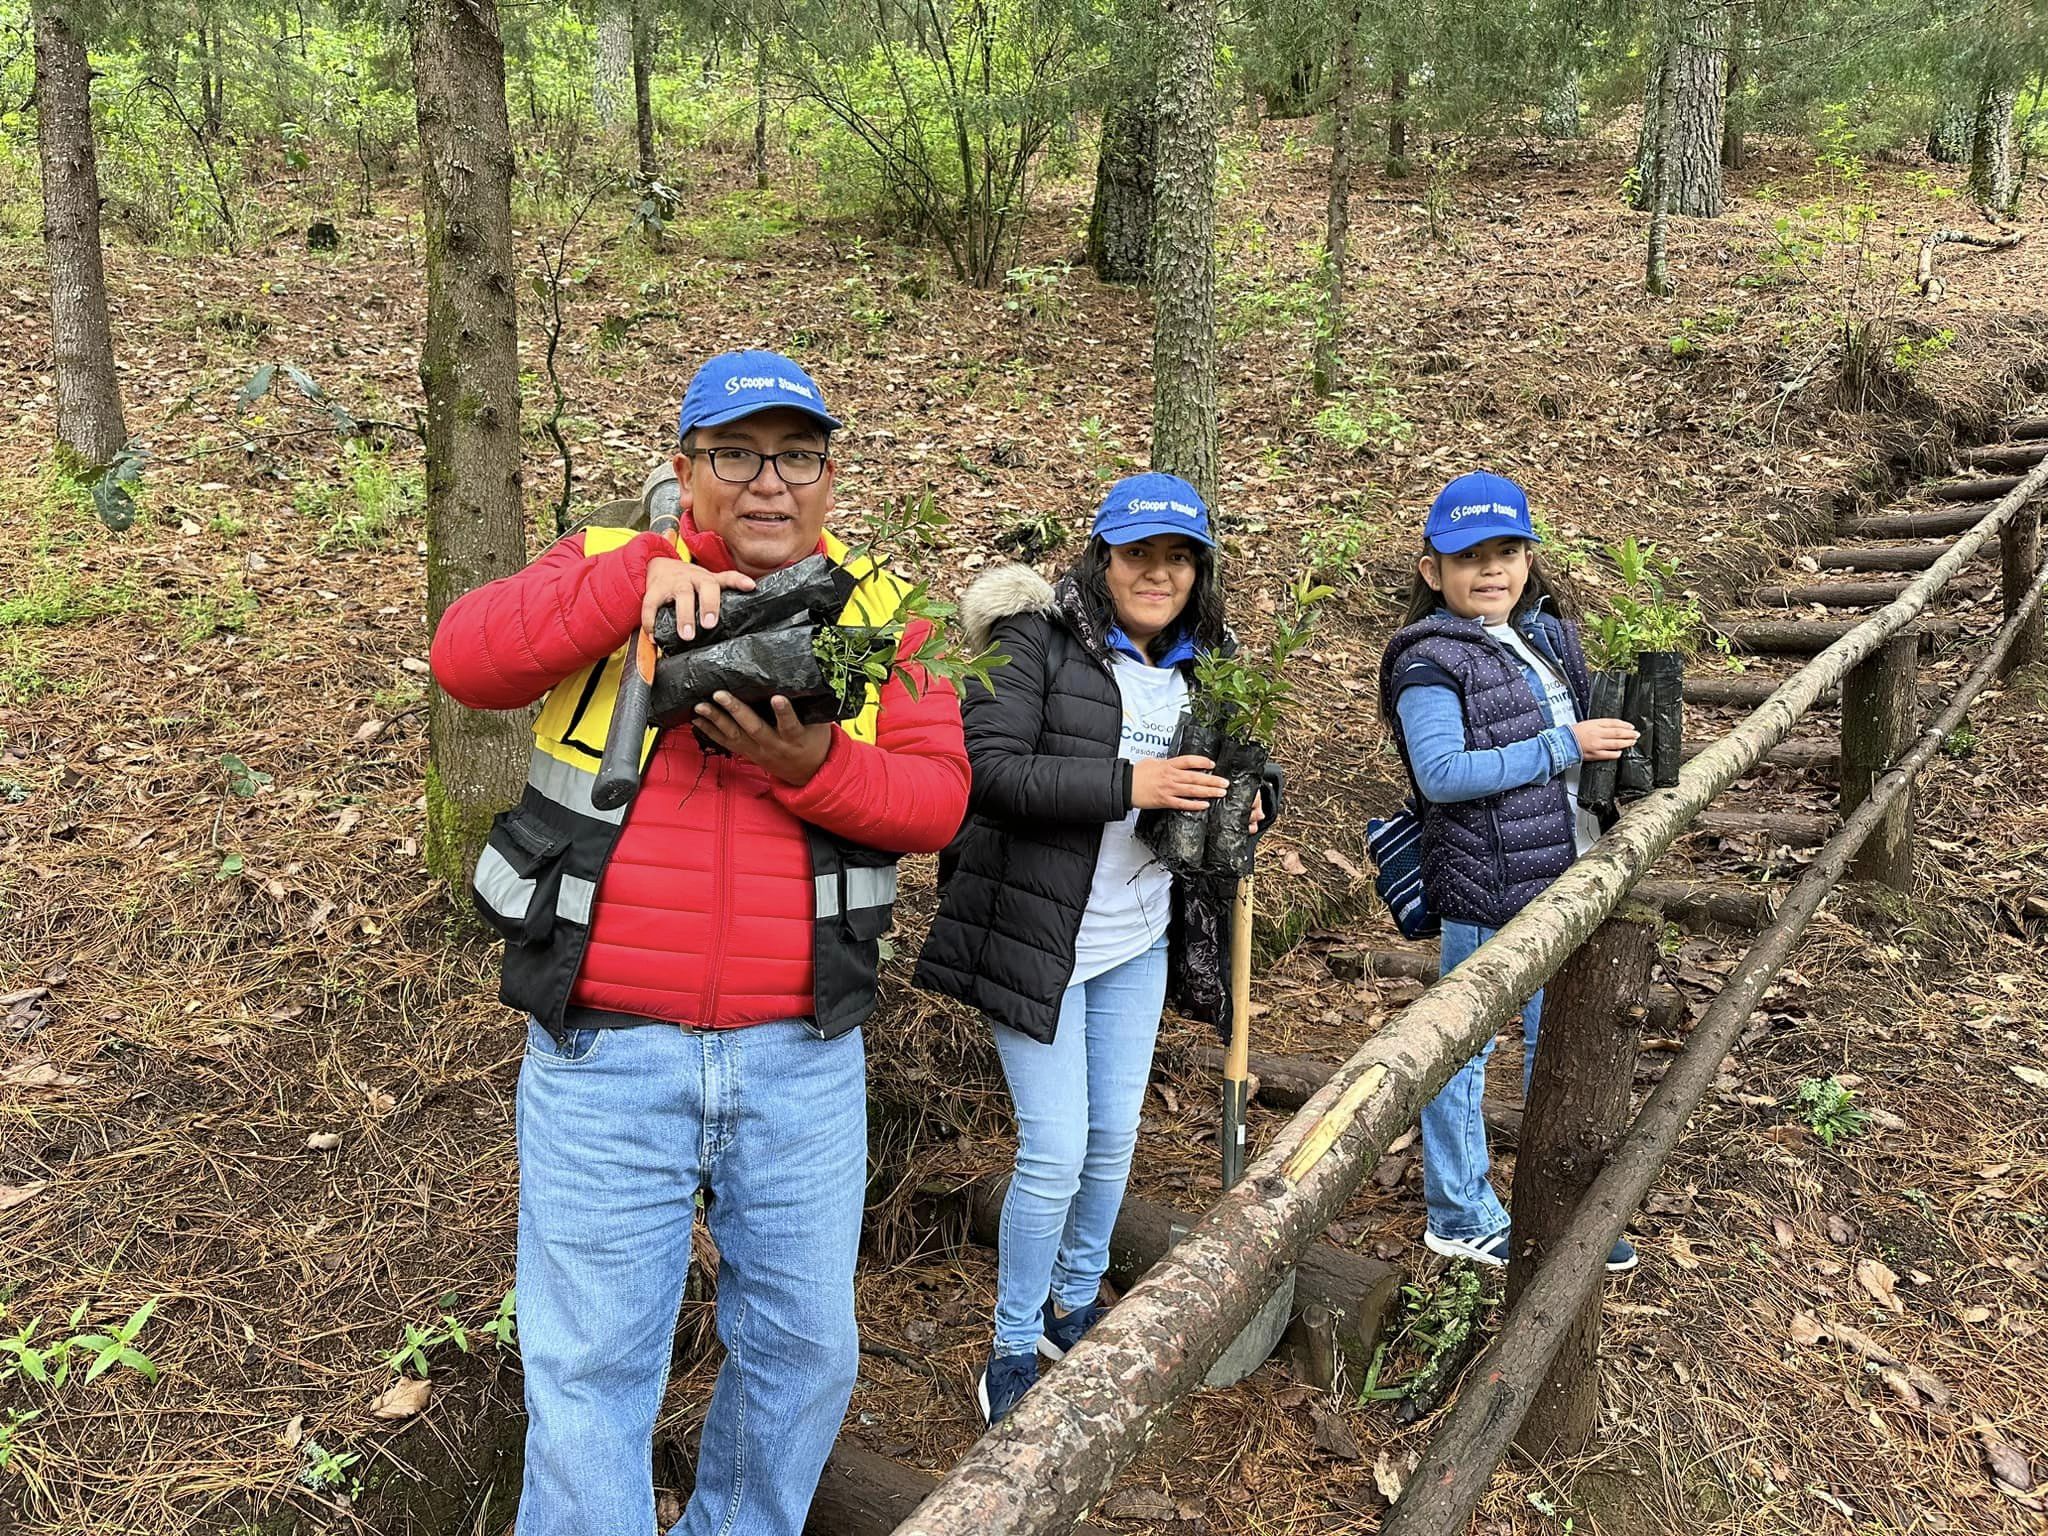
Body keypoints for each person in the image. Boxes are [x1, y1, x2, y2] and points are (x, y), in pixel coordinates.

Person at [429, 349, 970, 1535]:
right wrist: (627, 586)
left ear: (829, 476)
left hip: (802, 1058)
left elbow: (936, 801)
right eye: (735, 454)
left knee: (804, 1352)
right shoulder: (608, 568)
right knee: (589, 1373)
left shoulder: (880, 615)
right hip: (604, 1060)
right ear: (684, 471)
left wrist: (811, 768)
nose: (768, 483)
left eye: (797, 456)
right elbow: (464, 659)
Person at [914, 472, 1275, 1426]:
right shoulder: (1034, 642)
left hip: (1136, 937)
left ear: (1200, 569)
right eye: (1138, 554)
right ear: (1102, 557)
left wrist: (1256, 793)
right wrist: (1131, 784)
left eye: (1179, 557)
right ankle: (1007, 1349)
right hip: (1035, 935)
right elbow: (984, 772)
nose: (1159, 574)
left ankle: (1072, 1308)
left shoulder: (1210, 661)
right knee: (1056, 1149)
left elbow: (1239, 760)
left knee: (1114, 1139)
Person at [1376, 470, 1640, 1274]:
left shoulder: (1542, 634)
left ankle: (1554, 1206)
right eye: (1469, 558)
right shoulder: (1429, 660)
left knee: (1554, 1042)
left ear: (1529, 556)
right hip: (1486, 881)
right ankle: (1458, 1211)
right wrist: (1568, 746)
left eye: (1506, 552)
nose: (1490, 570)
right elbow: (1443, 774)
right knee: (1463, 1047)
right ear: (1433, 572)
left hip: (1563, 867)